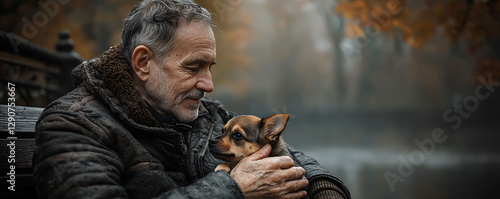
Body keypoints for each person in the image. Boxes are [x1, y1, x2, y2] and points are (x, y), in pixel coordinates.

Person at [32, 0, 351, 198]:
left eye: (209, 67)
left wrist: (324, 190)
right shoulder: (73, 125)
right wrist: (235, 190)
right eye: (193, 67)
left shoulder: (207, 117)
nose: (209, 85)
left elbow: (294, 160)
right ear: (144, 63)